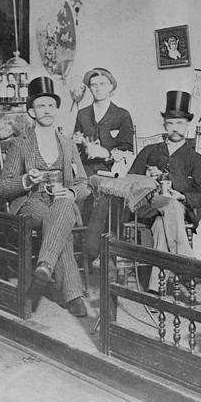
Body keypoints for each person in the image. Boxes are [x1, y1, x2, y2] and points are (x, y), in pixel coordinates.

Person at [0, 76, 92, 317]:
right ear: (31, 111)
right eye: (41, 105)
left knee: (61, 210)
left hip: (61, 201)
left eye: (51, 105)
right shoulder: (20, 144)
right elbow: (5, 186)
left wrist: (70, 192)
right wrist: (26, 180)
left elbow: (84, 184)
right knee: (59, 223)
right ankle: (73, 295)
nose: (47, 110)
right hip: (31, 202)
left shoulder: (68, 144)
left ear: (56, 108)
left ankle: (44, 267)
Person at [128, 91, 201, 291]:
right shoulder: (150, 151)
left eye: (179, 123)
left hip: (177, 210)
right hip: (148, 206)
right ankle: (187, 262)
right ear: (164, 124)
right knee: (167, 205)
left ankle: (157, 288)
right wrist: (148, 177)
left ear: (187, 125)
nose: (175, 128)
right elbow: (129, 181)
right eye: (170, 123)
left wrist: (181, 195)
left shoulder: (194, 158)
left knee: (161, 224)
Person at [75, 68, 134, 261]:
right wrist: (81, 145)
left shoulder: (122, 115)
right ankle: (77, 248)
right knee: (77, 193)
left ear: (111, 87)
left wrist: (106, 153)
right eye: (93, 85)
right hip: (85, 169)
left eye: (102, 84)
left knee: (105, 195)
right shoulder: (83, 114)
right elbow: (75, 146)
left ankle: (91, 250)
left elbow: (127, 150)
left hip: (110, 172)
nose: (98, 88)